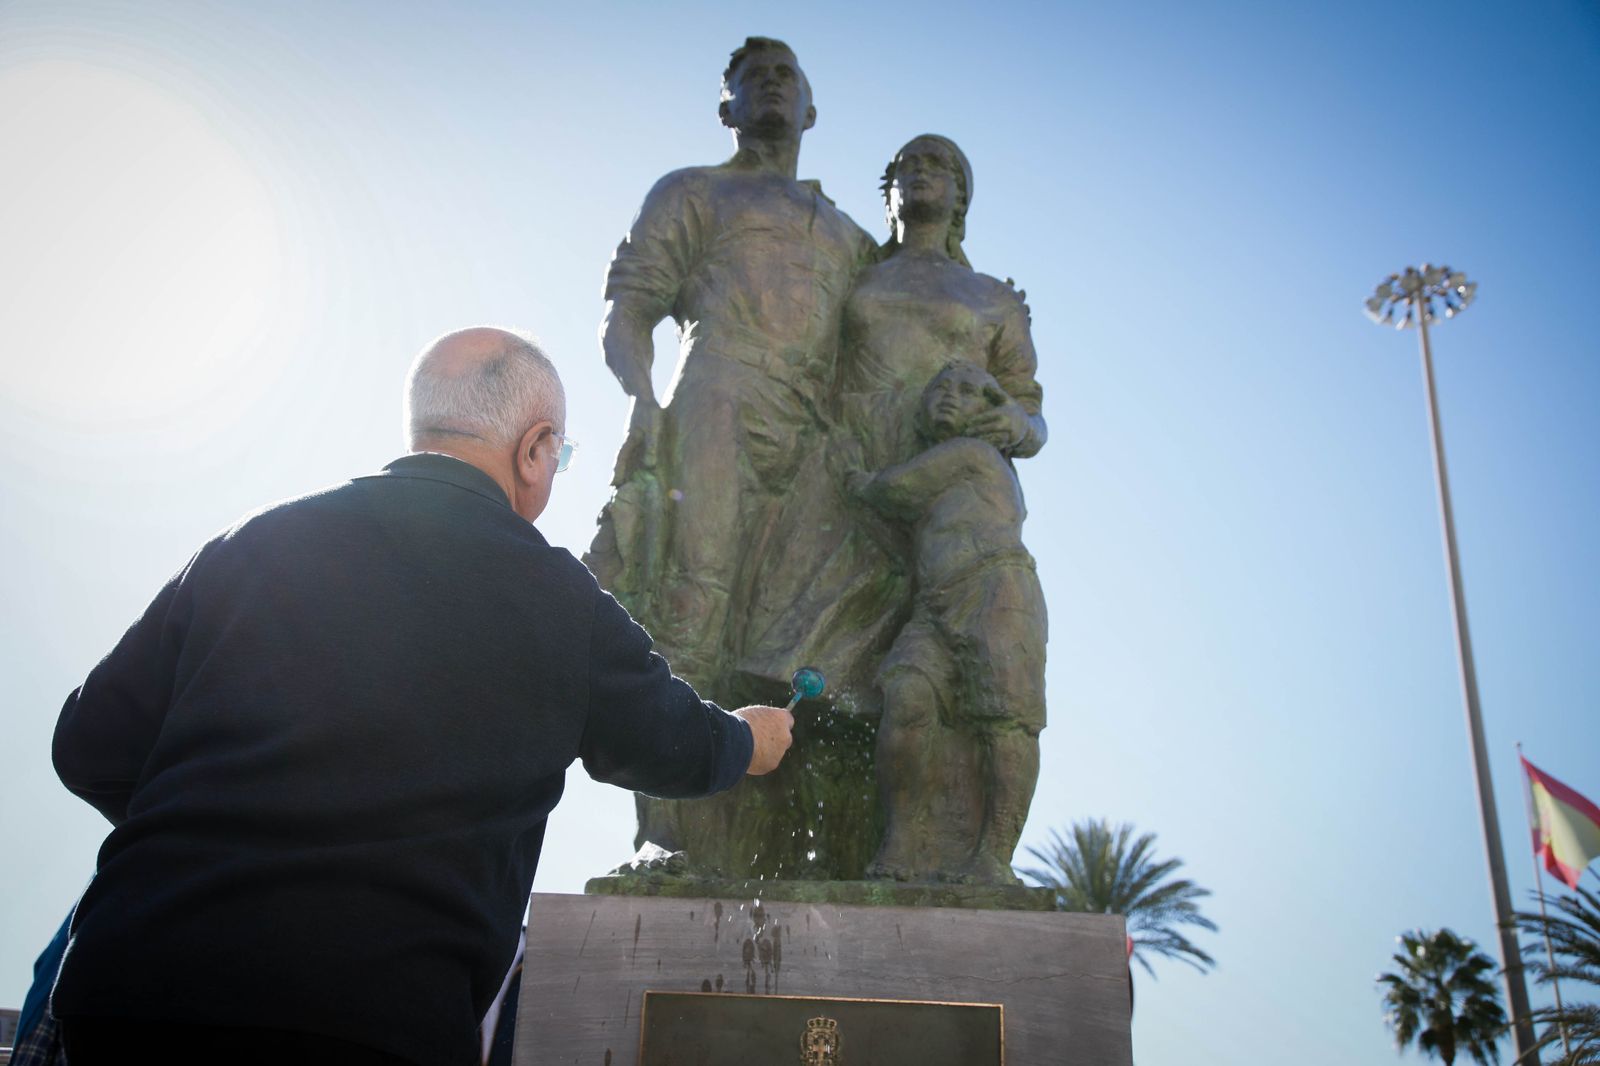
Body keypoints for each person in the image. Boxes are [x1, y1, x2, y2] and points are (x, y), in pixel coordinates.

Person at [50, 327, 794, 1065]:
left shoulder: (251, 543)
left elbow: (87, 745)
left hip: (129, 992)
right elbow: (671, 741)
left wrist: (220, 842)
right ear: (534, 449)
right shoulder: (558, 599)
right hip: (369, 1017)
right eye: (559, 456)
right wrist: (752, 740)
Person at [586, 36, 875, 873]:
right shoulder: (693, 192)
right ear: (729, 107)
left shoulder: (852, 238)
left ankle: (780, 832)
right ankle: (675, 835)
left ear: (812, 108)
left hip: (817, 441)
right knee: (692, 610)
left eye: (788, 76)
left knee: (803, 638)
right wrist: (645, 406)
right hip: (715, 403)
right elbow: (629, 310)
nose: (773, 87)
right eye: (754, 79)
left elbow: (902, 327)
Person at [845, 362, 1046, 885]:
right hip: (937, 603)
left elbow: (894, 489)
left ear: (988, 410)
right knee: (908, 695)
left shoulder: (971, 455)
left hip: (996, 592)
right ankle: (904, 841)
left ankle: (993, 858)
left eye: (965, 392)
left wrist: (853, 477)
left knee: (1006, 722)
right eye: (939, 390)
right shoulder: (955, 453)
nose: (948, 398)